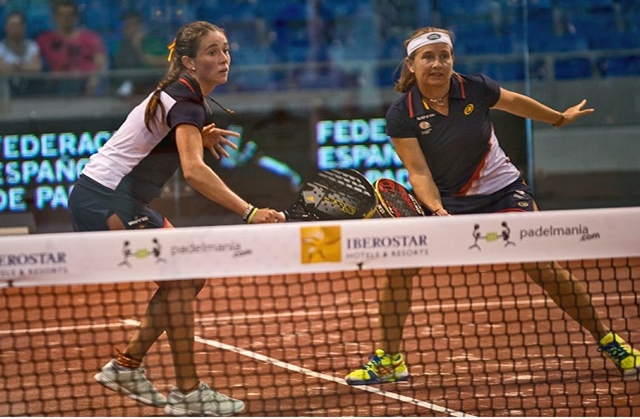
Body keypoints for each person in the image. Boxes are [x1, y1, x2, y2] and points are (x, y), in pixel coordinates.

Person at [344, 26, 640, 386]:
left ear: (453, 59)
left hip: (502, 191)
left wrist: (558, 118)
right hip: (446, 198)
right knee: (399, 269)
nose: (438, 64)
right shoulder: (401, 114)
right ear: (412, 63)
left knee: (541, 266)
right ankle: (390, 359)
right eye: (428, 57)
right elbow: (418, 173)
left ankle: (610, 342)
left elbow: (515, 103)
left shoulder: (475, 88)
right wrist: (437, 211)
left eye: (445, 56)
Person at [68, 20, 284, 416]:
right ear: (188, 61)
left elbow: (154, 140)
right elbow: (195, 172)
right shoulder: (186, 101)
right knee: (182, 278)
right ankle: (186, 391)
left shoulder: (180, 97)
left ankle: (127, 367)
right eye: (212, 52)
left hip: (113, 197)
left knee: (188, 277)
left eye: (225, 50)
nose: (223, 59)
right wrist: (249, 211)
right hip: (105, 200)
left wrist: (195, 137)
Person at [36, 0, 107, 95]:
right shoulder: (44, 40)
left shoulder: (90, 38)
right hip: (56, 87)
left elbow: (101, 64)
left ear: (76, 17)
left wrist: (93, 82)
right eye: (62, 15)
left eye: (70, 15)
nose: (66, 19)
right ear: (54, 17)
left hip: (85, 85)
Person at [112, 10, 167, 95]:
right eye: (127, 26)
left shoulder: (154, 42)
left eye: (134, 25)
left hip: (153, 81)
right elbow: (119, 66)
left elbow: (167, 61)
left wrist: (137, 46)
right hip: (130, 84)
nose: (131, 29)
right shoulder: (120, 46)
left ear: (141, 26)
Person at [0, 11, 42, 95]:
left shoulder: (32, 46)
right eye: (11, 25)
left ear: (24, 27)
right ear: (6, 27)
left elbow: (36, 68)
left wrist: (13, 67)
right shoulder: (1, 47)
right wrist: (25, 67)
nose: (15, 28)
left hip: (30, 89)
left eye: (18, 25)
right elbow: (2, 69)